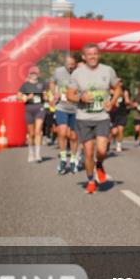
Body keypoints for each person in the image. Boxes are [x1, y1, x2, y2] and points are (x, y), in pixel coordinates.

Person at [66, 43, 123, 194]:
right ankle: (91, 181)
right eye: (89, 54)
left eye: (95, 54)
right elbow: (69, 95)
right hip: (84, 117)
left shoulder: (108, 70)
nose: (92, 56)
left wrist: (112, 101)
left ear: (99, 55)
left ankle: (100, 165)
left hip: (102, 116)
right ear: (84, 57)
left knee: (102, 150)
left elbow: (118, 88)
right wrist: (80, 98)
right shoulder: (77, 73)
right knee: (89, 153)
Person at [51, 54, 81, 175]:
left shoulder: (80, 73)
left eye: (72, 65)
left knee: (73, 137)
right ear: (64, 64)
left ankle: (73, 160)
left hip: (76, 108)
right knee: (62, 132)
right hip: (61, 106)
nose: (70, 67)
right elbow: (52, 83)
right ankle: (63, 159)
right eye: (68, 65)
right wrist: (55, 93)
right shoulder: (58, 72)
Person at [18, 65, 47, 162]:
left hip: (40, 108)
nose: (34, 75)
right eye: (32, 73)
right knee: (31, 134)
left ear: (38, 74)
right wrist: (26, 98)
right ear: (29, 74)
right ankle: (31, 153)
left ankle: (38, 154)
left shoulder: (41, 84)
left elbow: (45, 95)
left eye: (35, 73)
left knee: (38, 131)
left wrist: (47, 97)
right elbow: (18, 97)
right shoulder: (25, 85)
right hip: (29, 109)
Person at [110, 86, 131, 154]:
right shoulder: (110, 91)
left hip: (122, 113)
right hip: (113, 114)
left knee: (121, 129)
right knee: (114, 132)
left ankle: (119, 145)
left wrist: (125, 96)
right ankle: (110, 141)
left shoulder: (125, 91)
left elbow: (128, 102)